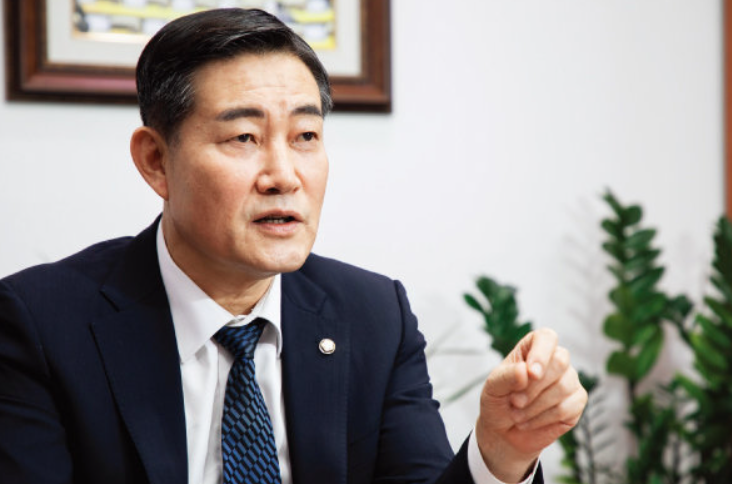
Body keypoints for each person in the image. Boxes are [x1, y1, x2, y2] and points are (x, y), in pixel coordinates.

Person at [0, 8, 587, 484]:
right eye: (244, 137)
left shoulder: (373, 317)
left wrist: (499, 456)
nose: (283, 175)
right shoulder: (40, 324)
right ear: (156, 161)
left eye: (306, 135)